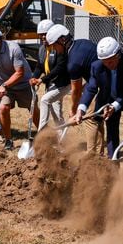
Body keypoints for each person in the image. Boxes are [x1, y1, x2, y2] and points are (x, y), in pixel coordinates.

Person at [76, 37, 123, 158]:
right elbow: (91, 88)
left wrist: (116, 105)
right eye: (104, 61)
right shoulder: (97, 66)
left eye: (110, 61)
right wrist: (81, 108)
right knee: (111, 132)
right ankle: (113, 162)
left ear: (118, 55)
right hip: (109, 100)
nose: (107, 64)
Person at [44, 25, 103, 154]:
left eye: (55, 46)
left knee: (89, 117)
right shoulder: (81, 43)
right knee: (97, 115)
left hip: (102, 82)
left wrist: (73, 111)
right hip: (101, 79)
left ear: (62, 40)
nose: (55, 50)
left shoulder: (73, 62)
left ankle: (92, 155)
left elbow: (75, 90)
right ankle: (100, 152)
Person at [30, 20, 71, 131]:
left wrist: (42, 80)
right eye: (41, 35)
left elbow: (59, 68)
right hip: (50, 84)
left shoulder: (59, 48)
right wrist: (34, 77)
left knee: (48, 104)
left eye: (45, 34)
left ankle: (42, 134)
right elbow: (39, 66)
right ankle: (61, 138)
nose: (43, 37)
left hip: (60, 83)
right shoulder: (42, 49)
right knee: (55, 113)